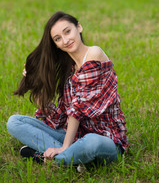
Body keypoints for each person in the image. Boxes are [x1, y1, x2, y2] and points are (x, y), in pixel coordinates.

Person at [7, 11, 128, 166]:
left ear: (79, 27)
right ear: (55, 45)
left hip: (106, 140)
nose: (65, 40)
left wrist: (64, 146)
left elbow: (78, 109)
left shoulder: (94, 54)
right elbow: (59, 118)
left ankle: (51, 157)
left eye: (67, 31)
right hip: (76, 137)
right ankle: (77, 161)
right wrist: (33, 85)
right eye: (58, 39)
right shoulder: (69, 71)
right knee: (14, 122)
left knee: (91, 142)